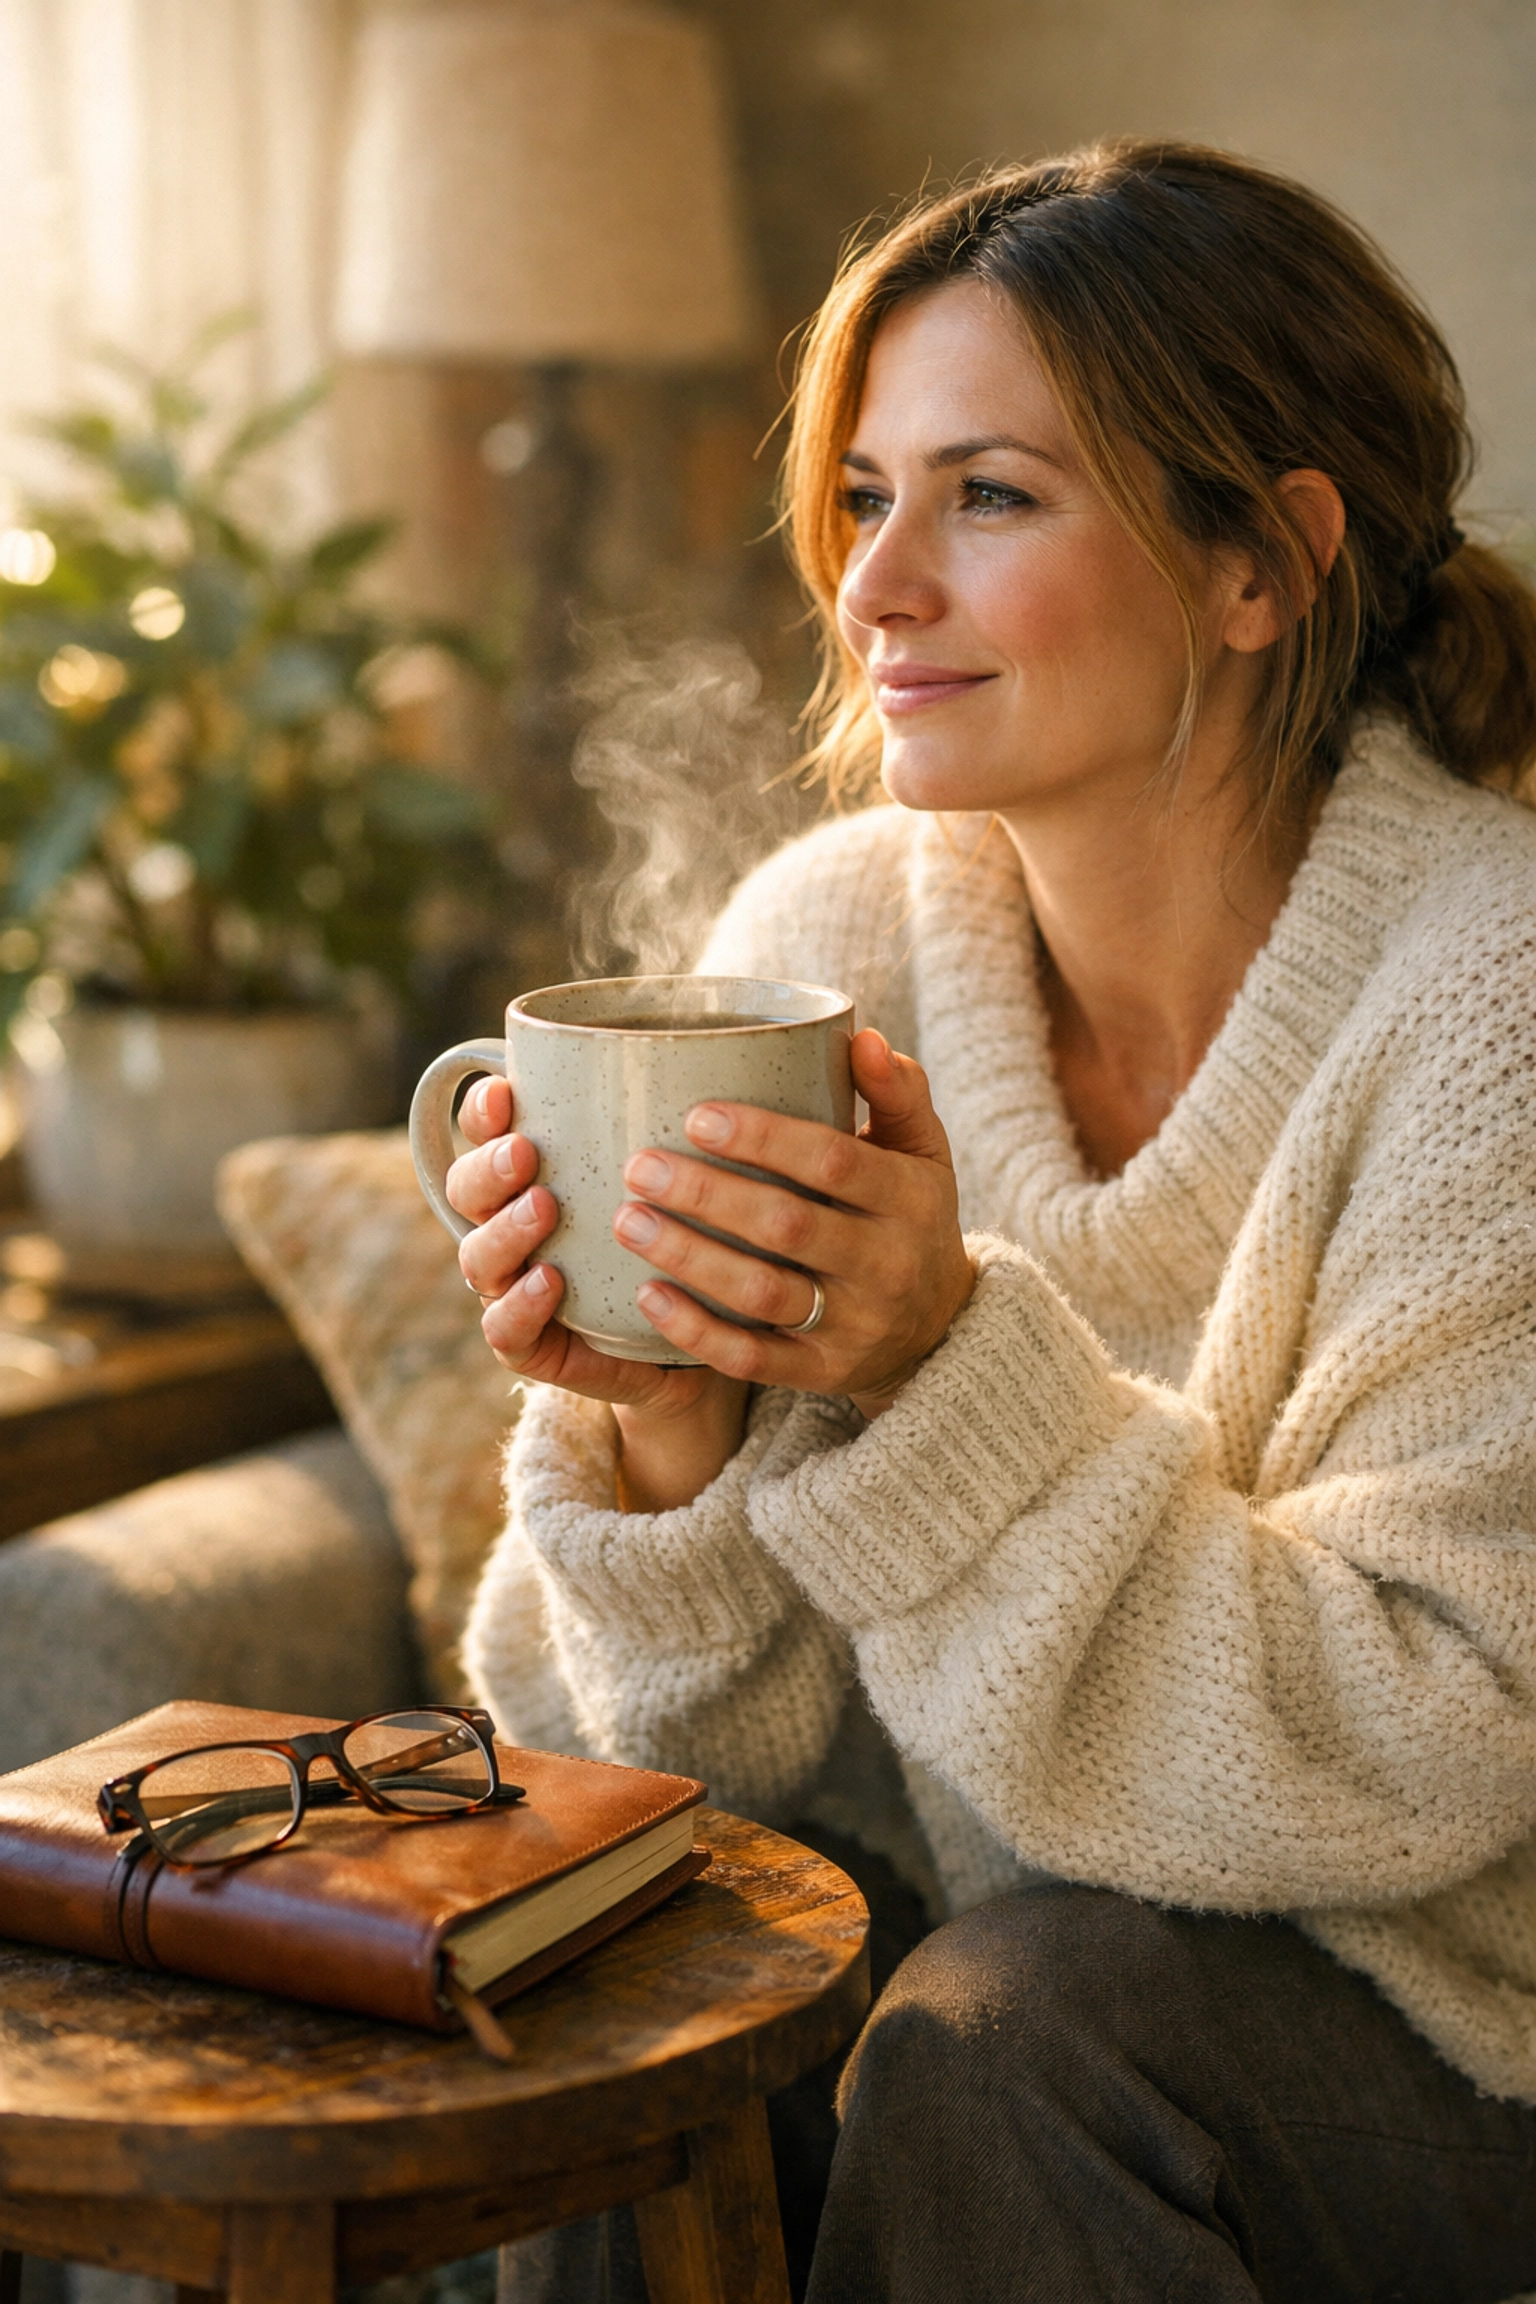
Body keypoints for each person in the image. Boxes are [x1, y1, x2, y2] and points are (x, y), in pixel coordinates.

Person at [448, 141, 1536, 2301]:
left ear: (1263, 563)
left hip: (1457, 2014)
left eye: (993, 497)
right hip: (998, 1952)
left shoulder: (1494, 1004)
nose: (875, 586)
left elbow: (1423, 1752)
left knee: (1012, 2031)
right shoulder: (816, 946)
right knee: (602, 1986)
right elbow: (631, 1779)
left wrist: (935, 1370)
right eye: (866, 498)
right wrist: (664, 1427)